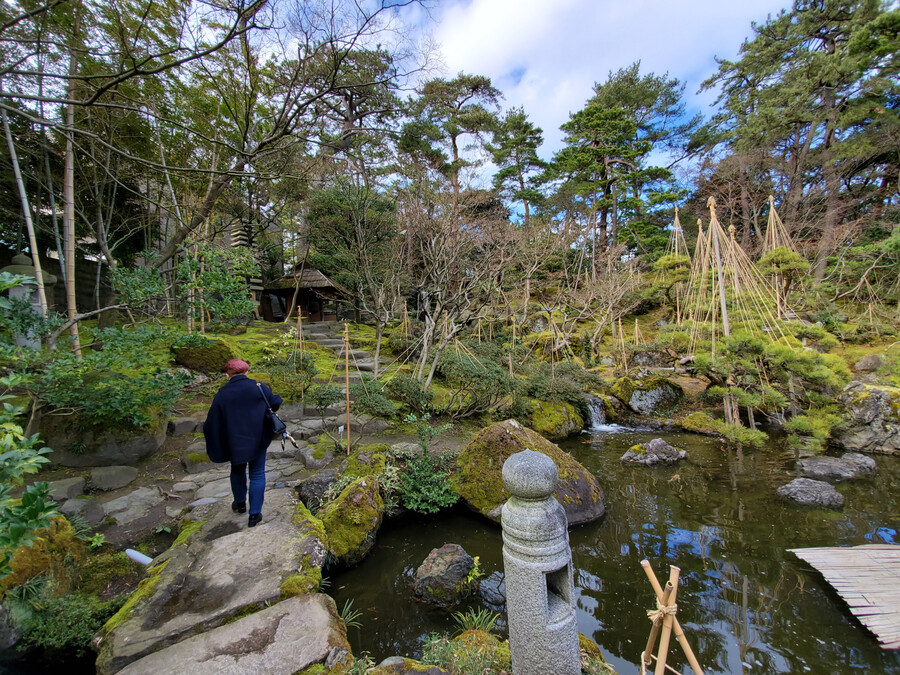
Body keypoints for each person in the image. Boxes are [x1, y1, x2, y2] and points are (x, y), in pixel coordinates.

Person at [202, 358, 282, 527]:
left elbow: (212, 421)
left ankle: (239, 504)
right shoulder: (259, 388)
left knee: (237, 469)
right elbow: (275, 403)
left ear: (227, 375)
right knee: (257, 473)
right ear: (247, 372)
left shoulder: (222, 394)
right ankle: (254, 514)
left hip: (234, 441)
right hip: (258, 437)